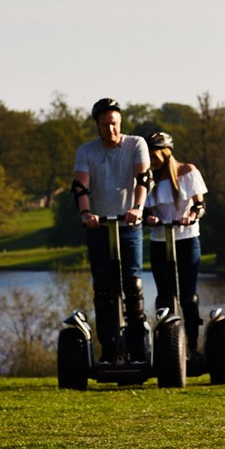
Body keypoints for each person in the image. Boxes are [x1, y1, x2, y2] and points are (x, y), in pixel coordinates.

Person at [71, 98, 151, 361]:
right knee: (104, 289)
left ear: (121, 123)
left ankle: (138, 349)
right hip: (99, 226)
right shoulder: (86, 150)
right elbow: (81, 186)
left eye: (114, 124)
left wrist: (138, 208)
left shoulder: (136, 143)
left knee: (132, 285)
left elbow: (143, 178)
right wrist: (85, 212)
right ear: (98, 125)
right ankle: (108, 350)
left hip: (129, 226)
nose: (111, 130)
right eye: (105, 125)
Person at [143, 132, 209, 357]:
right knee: (164, 296)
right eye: (148, 155)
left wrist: (191, 215)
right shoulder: (147, 179)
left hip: (186, 239)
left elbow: (200, 204)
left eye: (154, 155)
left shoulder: (187, 171)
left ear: (166, 152)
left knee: (188, 296)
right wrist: (148, 217)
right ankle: (167, 347)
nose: (151, 160)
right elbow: (143, 208)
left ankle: (192, 344)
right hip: (160, 241)